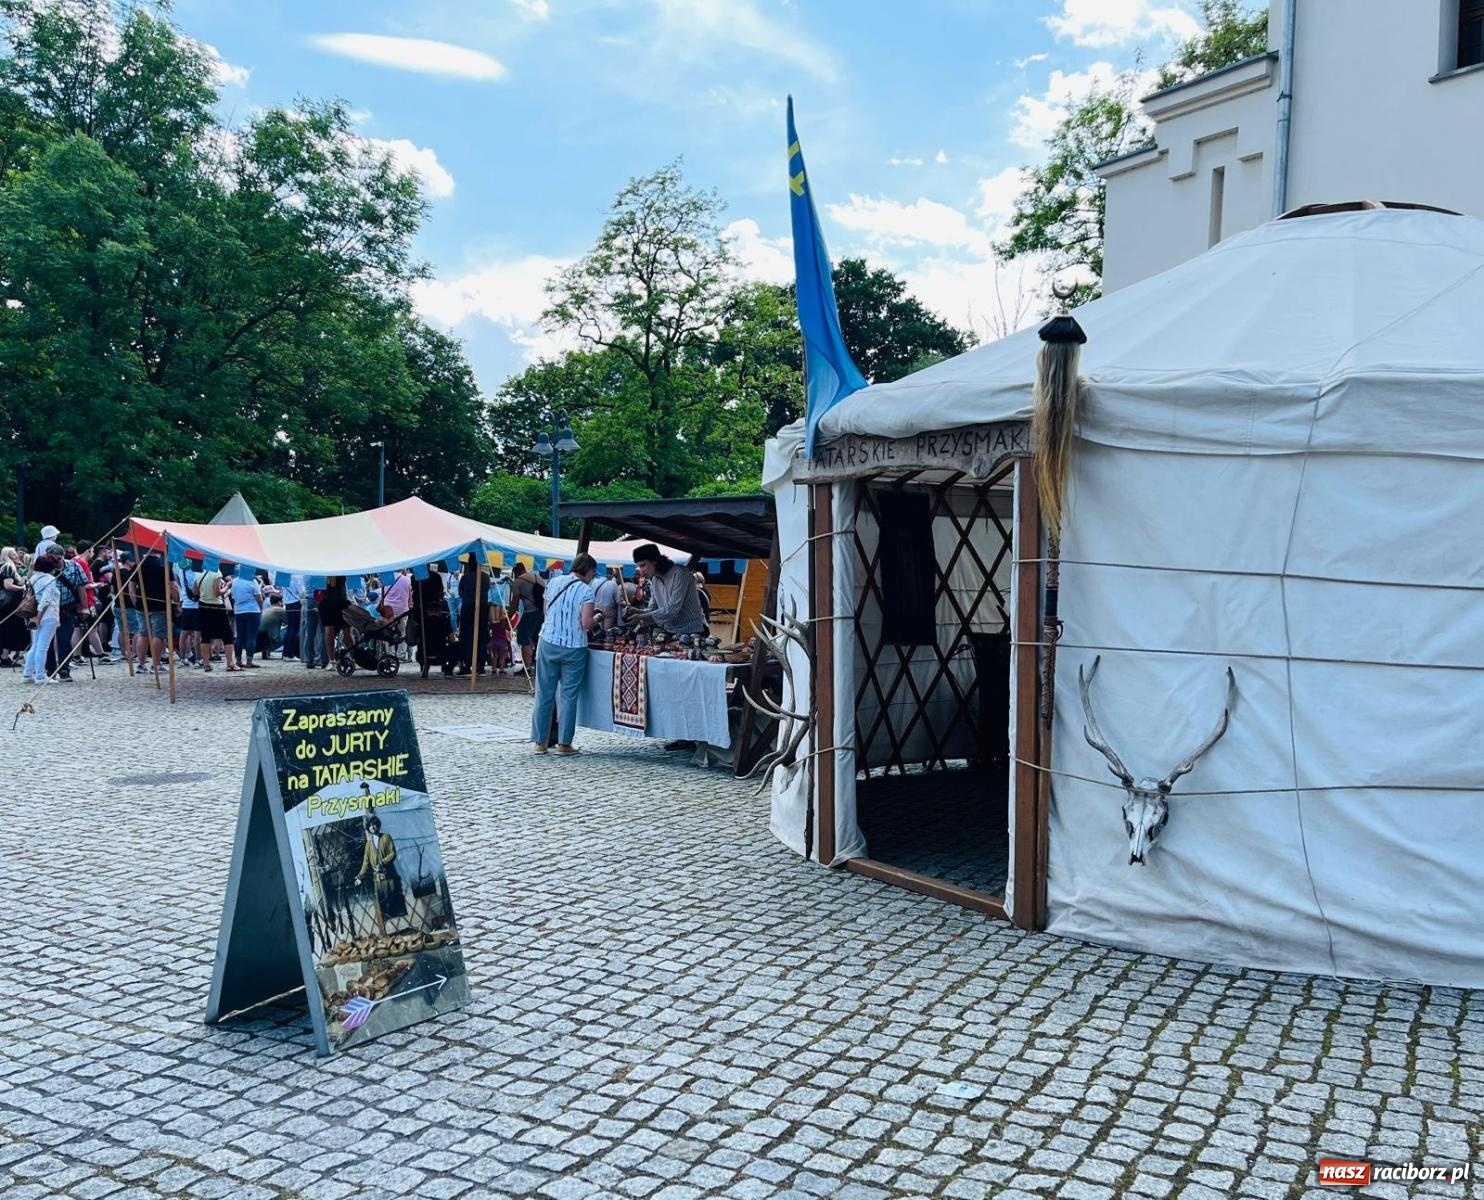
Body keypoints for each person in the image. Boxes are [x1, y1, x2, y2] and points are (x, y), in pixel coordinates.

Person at [530, 553, 598, 756]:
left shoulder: (553, 583)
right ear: (588, 571)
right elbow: (586, 624)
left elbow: (546, 612)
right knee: (568, 696)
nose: (593, 576)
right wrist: (598, 617)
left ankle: (540, 742)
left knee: (544, 694)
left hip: (548, 641)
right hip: (574, 646)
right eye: (593, 572)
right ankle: (564, 743)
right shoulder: (586, 591)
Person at [625, 543, 708, 636]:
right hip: (672, 632)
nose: (641, 570)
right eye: (639, 567)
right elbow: (653, 608)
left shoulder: (680, 573)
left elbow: (672, 609)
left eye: (643, 565)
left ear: (655, 560)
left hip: (693, 631)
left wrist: (641, 617)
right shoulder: (655, 580)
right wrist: (637, 611)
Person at [355, 815, 406, 932]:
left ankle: (401, 929)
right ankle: (390, 932)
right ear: (368, 828)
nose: (373, 827)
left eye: (374, 824)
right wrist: (360, 876)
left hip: (390, 876)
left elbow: (392, 853)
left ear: (378, 825)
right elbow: (366, 862)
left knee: (395, 903)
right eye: (370, 825)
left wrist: (382, 863)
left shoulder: (386, 837)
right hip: (378, 879)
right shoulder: (368, 844)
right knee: (384, 906)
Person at [22, 553, 63, 683]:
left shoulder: (33, 578)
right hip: (48, 615)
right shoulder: (50, 580)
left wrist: (36, 617)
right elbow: (46, 600)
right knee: (43, 647)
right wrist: (39, 618)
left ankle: (27, 674)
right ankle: (40, 676)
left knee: (35, 645)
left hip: (34, 614)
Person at [195, 561, 234, 671]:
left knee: (205, 635)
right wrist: (227, 587)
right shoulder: (216, 573)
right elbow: (217, 592)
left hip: (203, 605)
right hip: (216, 606)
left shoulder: (199, 572)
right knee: (227, 635)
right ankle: (230, 663)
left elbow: (195, 591)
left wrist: (204, 594)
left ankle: (206, 664)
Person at [510, 562, 545, 673]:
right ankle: (536, 664)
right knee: (536, 638)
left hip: (530, 611)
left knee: (524, 638)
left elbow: (514, 603)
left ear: (515, 572)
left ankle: (527, 667)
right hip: (542, 611)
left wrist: (508, 618)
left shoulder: (518, 581)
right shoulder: (537, 577)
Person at [456, 559, 489, 674]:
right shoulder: (486, 577)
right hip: (483, 608)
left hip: (468, 608)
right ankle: (481, 665)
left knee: (466, 637)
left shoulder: (465, 578)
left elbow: (460, 593)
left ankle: (467, 664)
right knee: (482, 637)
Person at [228, 567, 264, 669]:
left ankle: (238, 660)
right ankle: (249, 661)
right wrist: (261, 610)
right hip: (253, 610)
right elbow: (259, 599)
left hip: (239, 611)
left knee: (240, 636)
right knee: (251, 637)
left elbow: (232, 594)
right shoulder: (252, 582)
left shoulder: (235, 581)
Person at [0, 547, 30, 667]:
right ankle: (5, 657)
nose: (16, 556)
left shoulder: (5, 566)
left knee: (5, 628)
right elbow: (8, 585)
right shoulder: (8, 567)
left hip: (7, 604)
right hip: (9, 604)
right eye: (12, 554)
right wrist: (22, 587)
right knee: (8, 629)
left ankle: (4, 655)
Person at [318, 577, 350, 665]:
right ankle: (331, 660)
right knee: (329, 630)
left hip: (341, 600)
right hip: (328, 600)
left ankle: (354, 657)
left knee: (347, 631)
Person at [489, 603, 512, 672]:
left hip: (494, 641)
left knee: (495, 656)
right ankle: (501, 668)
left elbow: (490, 628)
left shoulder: (492, 622)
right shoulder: (503, 622)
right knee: (502, 656)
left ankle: (494, 668)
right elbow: (508, 628)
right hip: (502, 641)